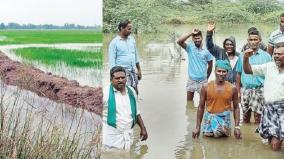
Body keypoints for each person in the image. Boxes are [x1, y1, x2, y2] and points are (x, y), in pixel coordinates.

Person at [243, 42, 284, 151]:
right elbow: (248, 70)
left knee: (275, 145)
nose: (276, 56)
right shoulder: (269, 66)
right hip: (268, 109)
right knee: (271, 140)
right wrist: (246, 58)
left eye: (280, 54)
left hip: (282, 110)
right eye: (275, 54)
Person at [192, 60, 241, 139]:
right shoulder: (205, 87)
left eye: (224, 71)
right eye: (219, 71)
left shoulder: (233, 88)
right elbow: (201, 107)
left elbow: (236, 108)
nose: (221, 74)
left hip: (225, 121)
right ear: (215, 71)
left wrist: (237, 127)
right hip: (209, 121)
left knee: (224, 143)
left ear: (227, 72)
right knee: (208, 142)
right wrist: (198, 127)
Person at [102, 66, 148, 150]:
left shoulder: (131, 91)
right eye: (117, 78)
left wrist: (143, 128)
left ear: (126, 78)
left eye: (123, 77)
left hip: (129, 136)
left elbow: (136, 112)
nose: (120, 80)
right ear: (111, 79)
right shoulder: (105, 93)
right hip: (112, 139)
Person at [236, 29, 272, 124]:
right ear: (247, 41)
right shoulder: (242, 56)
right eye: (251, 40)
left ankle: (257, 137)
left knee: (258, 118)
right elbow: (238, 74)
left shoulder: (266, 56)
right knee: (245, 117)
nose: (253, 42)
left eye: (255, 39)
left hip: (260, 89)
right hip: (246, 89)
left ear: (260, 40)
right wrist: (238, 91)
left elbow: (270, 75)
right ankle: (247, 137)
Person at [177, 29, 213, 102]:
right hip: (191, 80)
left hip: (203, 81)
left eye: (198, 38)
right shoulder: (189, 48)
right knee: (189, 102)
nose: (197, 40)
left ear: (202, 38)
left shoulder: (207, 50)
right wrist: (191, 33)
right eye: (195, 38)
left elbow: (210, 66)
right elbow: (179, 42)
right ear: (192, 39)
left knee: (203, 102)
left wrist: (206, 77)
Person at [108, 20, 141, 94]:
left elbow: (136, 56)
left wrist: (139, 70)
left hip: (132, 71)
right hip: (122, 73)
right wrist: (114, 76)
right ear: (122, 28)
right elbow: (112, 61)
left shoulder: (132, 40)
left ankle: (135, 105)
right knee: (125, 93)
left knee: (135, 92)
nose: (130, 31)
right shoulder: (114, 43)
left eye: (131, 29)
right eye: (128, 29)